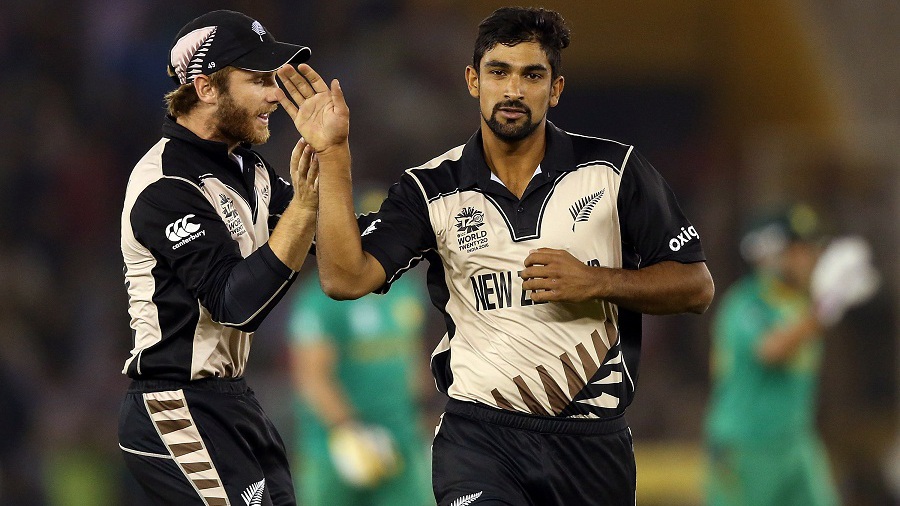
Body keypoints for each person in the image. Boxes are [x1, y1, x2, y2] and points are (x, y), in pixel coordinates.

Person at [276, 6, 715, 504]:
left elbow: (696, 287)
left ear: (556, 89)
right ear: (472, 81)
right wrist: (334, 155)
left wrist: (599, 282)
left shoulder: (617, 171)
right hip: (480, 438)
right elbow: (343, 279)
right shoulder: (430, 188)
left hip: (591, 441)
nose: (512, 90)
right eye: (498, 72)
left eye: (532, 75)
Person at [118, 10, 319, 505]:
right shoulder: (165, 185)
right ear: (206, 88)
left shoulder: (247, 167)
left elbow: (335, 237)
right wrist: (307, 208)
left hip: (230, 399)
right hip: (173, 403)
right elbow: (236, 303)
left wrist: (428, 219)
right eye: (258, 80)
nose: (275, 94)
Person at [704, 204, 879, 505]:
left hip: (796, 442)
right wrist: (824, 310)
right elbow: (770, 350)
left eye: (812, 249)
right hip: (747, 447)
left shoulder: (802, 304)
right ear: (772, 254)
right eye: (800, 249)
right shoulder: (746, 303)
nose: (810, 259)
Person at [287, 189, 434, 505]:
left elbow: (413, 356)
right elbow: (312, 376)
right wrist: (350, 430)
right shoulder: (321, 297)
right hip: (335, 446)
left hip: (400, 439)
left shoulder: (406, 292)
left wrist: (424, 413)